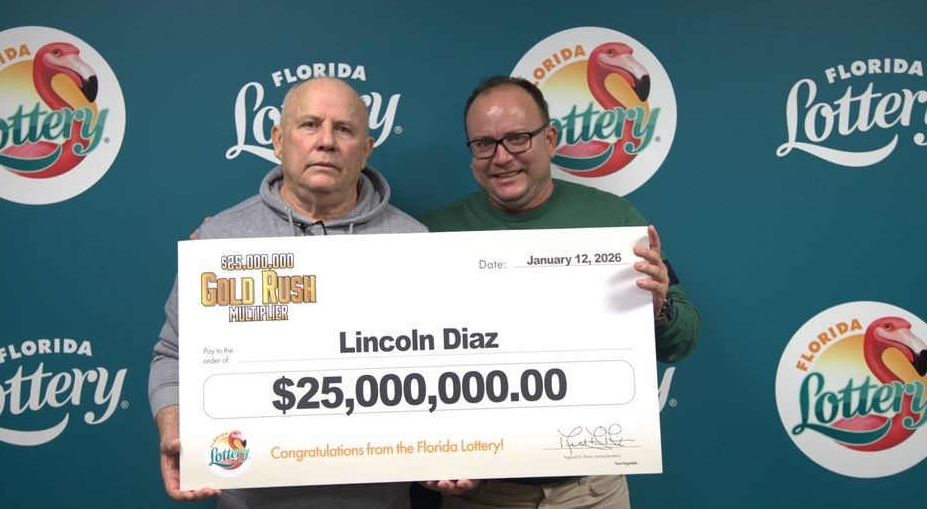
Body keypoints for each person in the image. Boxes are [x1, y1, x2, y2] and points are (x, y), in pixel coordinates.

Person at [416, 76, 701, 509]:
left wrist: (659, 307)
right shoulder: (430, 233)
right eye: (484, 144)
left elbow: (683, 339)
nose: (502, 157)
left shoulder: (612, 221)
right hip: (482, 494)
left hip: (592, 489)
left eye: (517, 138)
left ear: (549, 139)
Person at [148, 77, 426, 508]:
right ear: (279, 140)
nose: (326, 142)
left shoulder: (415, 242)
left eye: (345, 130)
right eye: (310, 125)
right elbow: (173, 354)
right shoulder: (219, 238)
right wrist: (174, 429)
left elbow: (442, 368)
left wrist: (454, 448)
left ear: (366, 149)